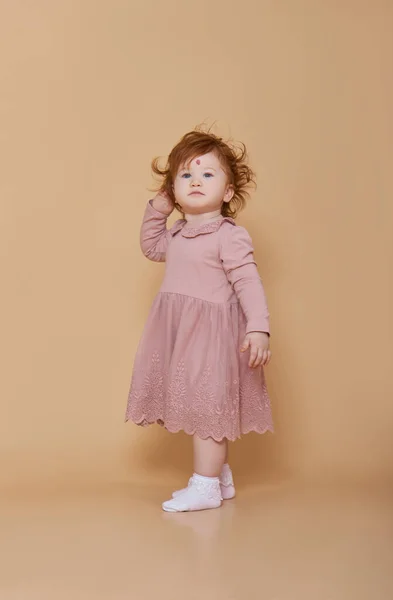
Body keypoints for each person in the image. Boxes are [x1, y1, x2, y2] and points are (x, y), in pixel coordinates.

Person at [125, 128, 273, 512]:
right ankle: (218, 477)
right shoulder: (176, 234)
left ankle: (205, 485)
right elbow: (150, 246)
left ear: (227, 192)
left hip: (210, 336)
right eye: (186, 175)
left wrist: (258, 326)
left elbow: (248, 281)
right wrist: (157, 209)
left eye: (208, 174)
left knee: (206, 407)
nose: (195, 181)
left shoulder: (229, 235)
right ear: (173, 191)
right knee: (193, 403)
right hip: (179, 333)